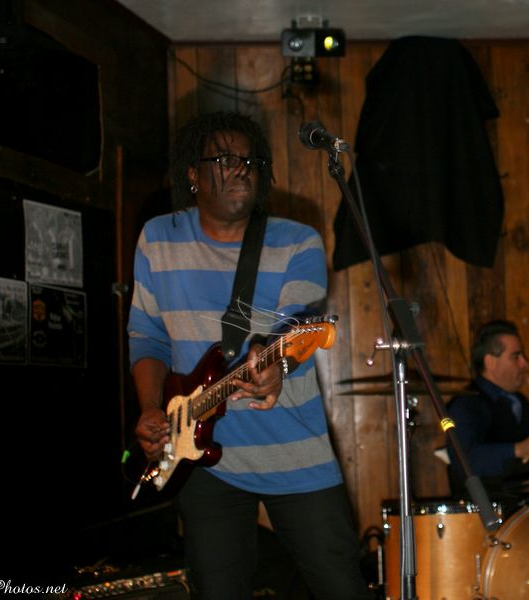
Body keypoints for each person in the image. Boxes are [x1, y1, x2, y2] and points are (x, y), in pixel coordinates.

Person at [128, 111, 372, 600]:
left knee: (342, 587)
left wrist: (276, 367)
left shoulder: (296, 241)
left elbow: (297, 326)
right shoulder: (157, 239)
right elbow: (147, 335)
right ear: (193, 175)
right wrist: (151, 409)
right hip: (201, 460)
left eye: (250, 161)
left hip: (294, 452)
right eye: (224, 159)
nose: (241, 169)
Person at [446, 320, 529, 503]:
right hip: (482, 510)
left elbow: (527, 468)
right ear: (490, 362)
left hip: (523, 503)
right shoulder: (466, 404)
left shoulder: (522, 404)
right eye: (516, 356)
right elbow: (464, 461)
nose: (525, 363)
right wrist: (517, 449)